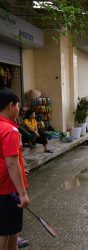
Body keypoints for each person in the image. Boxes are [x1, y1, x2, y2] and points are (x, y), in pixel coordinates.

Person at [0, 87, 29, 250]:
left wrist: (20, 170)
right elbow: (11, 163)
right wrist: (23, 194)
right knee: (4, 232)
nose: (19, 109)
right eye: (18, 106)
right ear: (11, 105)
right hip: (8, 190)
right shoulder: (10, 130)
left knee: (11, 230)